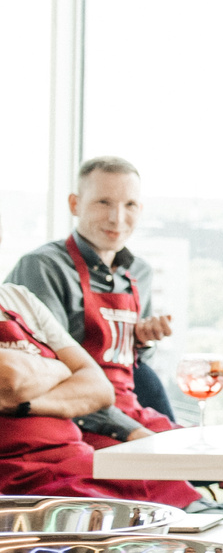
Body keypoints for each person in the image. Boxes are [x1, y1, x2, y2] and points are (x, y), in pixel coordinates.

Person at [0, 256, 197, 509]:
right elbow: (10, 376)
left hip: (80, 461)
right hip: (26, 481)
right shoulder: (41, 266)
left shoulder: (19, 298)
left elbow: (100, 388)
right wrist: (66, 370)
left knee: (191, 506)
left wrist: (25, 404)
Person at [7, 157, 180, 440]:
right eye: (103, 202)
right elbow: (49, 373)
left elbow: (134, 365)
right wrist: (131, 432)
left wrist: (141, 340)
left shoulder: (140, 273)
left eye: (130, 205)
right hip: (73, 420)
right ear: (74, 204)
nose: (117, 218)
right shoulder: (43, 267)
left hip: (130, 410)